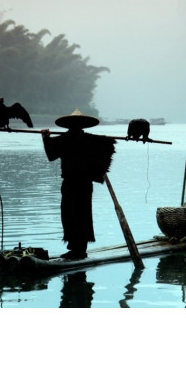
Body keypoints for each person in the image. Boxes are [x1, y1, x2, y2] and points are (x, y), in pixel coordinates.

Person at [41, 110, 116, 260]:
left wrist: (46, 138)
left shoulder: (71, 139)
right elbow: (52, 156)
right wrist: (46, 138)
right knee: (71, 214)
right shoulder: (83, 140)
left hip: (80, 183)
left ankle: (79, 250)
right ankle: (75, 248)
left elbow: (50, 155)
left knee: (78, 214)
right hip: (76, 183)